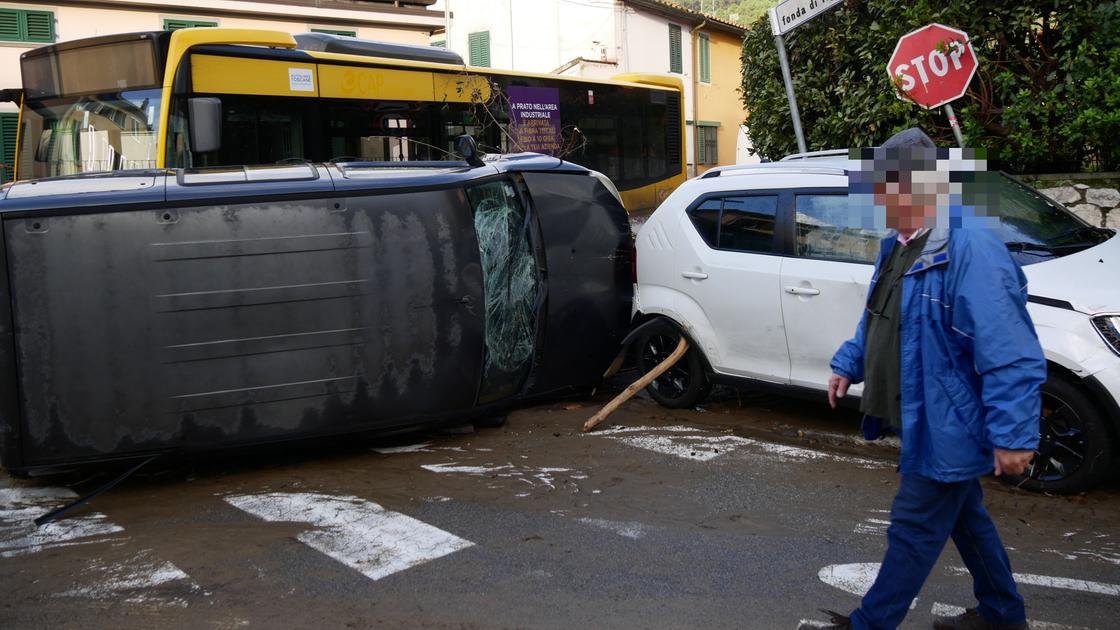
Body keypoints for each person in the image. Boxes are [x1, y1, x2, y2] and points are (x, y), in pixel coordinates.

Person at [802, 128, 1047, 630]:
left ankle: (870, 623)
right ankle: (1002, 614)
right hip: (923, 411)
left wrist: (1014, 433)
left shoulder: (971, 247)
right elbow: (878, 315)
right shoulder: (898, 243)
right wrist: (849, 362)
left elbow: (1010, 353)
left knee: (913, 529)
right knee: (966, 518)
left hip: (949, 420)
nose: (875, 198)